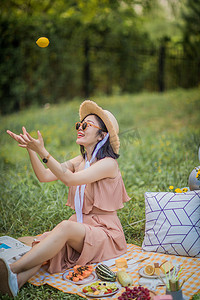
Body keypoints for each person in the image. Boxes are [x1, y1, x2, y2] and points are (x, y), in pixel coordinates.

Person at [0, 100, 130, 298]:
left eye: (86, 125)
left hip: (106, 234)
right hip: (83, 227)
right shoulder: (80, 161)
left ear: (102, 135)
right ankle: (15, 282)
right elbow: (44, 176)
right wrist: (32, 149)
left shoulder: (108, 164)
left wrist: (44, 151)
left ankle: (12, 268)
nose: (80, 128)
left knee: (64, 228)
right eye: (79, 124)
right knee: (46, 246)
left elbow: (69, 180)